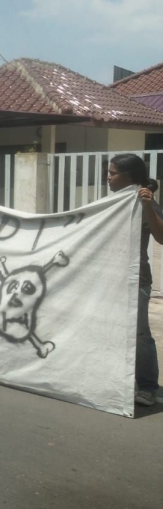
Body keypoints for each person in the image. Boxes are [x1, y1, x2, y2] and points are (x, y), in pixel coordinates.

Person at [107, 153, 163, 407]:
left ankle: (149, 387)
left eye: (113, 173)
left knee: (140, 333)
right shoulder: (115, 202)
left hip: (137, 279)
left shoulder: (144, 201)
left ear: (129, 176)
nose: (108, 178)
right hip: (111, 277)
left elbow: (161, 237)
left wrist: (149, 206)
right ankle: (125, 380)